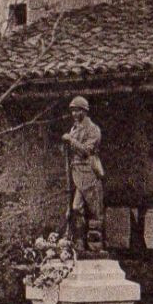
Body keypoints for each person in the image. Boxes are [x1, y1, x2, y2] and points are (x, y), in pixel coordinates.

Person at [61, 96, 105, 253]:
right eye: (72, 110)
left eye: (77, 110)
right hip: (77, 171)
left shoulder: (93, 129)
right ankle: (79, 242)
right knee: (76, 207)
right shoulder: (75, 128)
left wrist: (70, 141)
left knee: (94, 208)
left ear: (84, 111)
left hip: (89, 172)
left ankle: (94, 244)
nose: (74, 113)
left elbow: (87, 151)